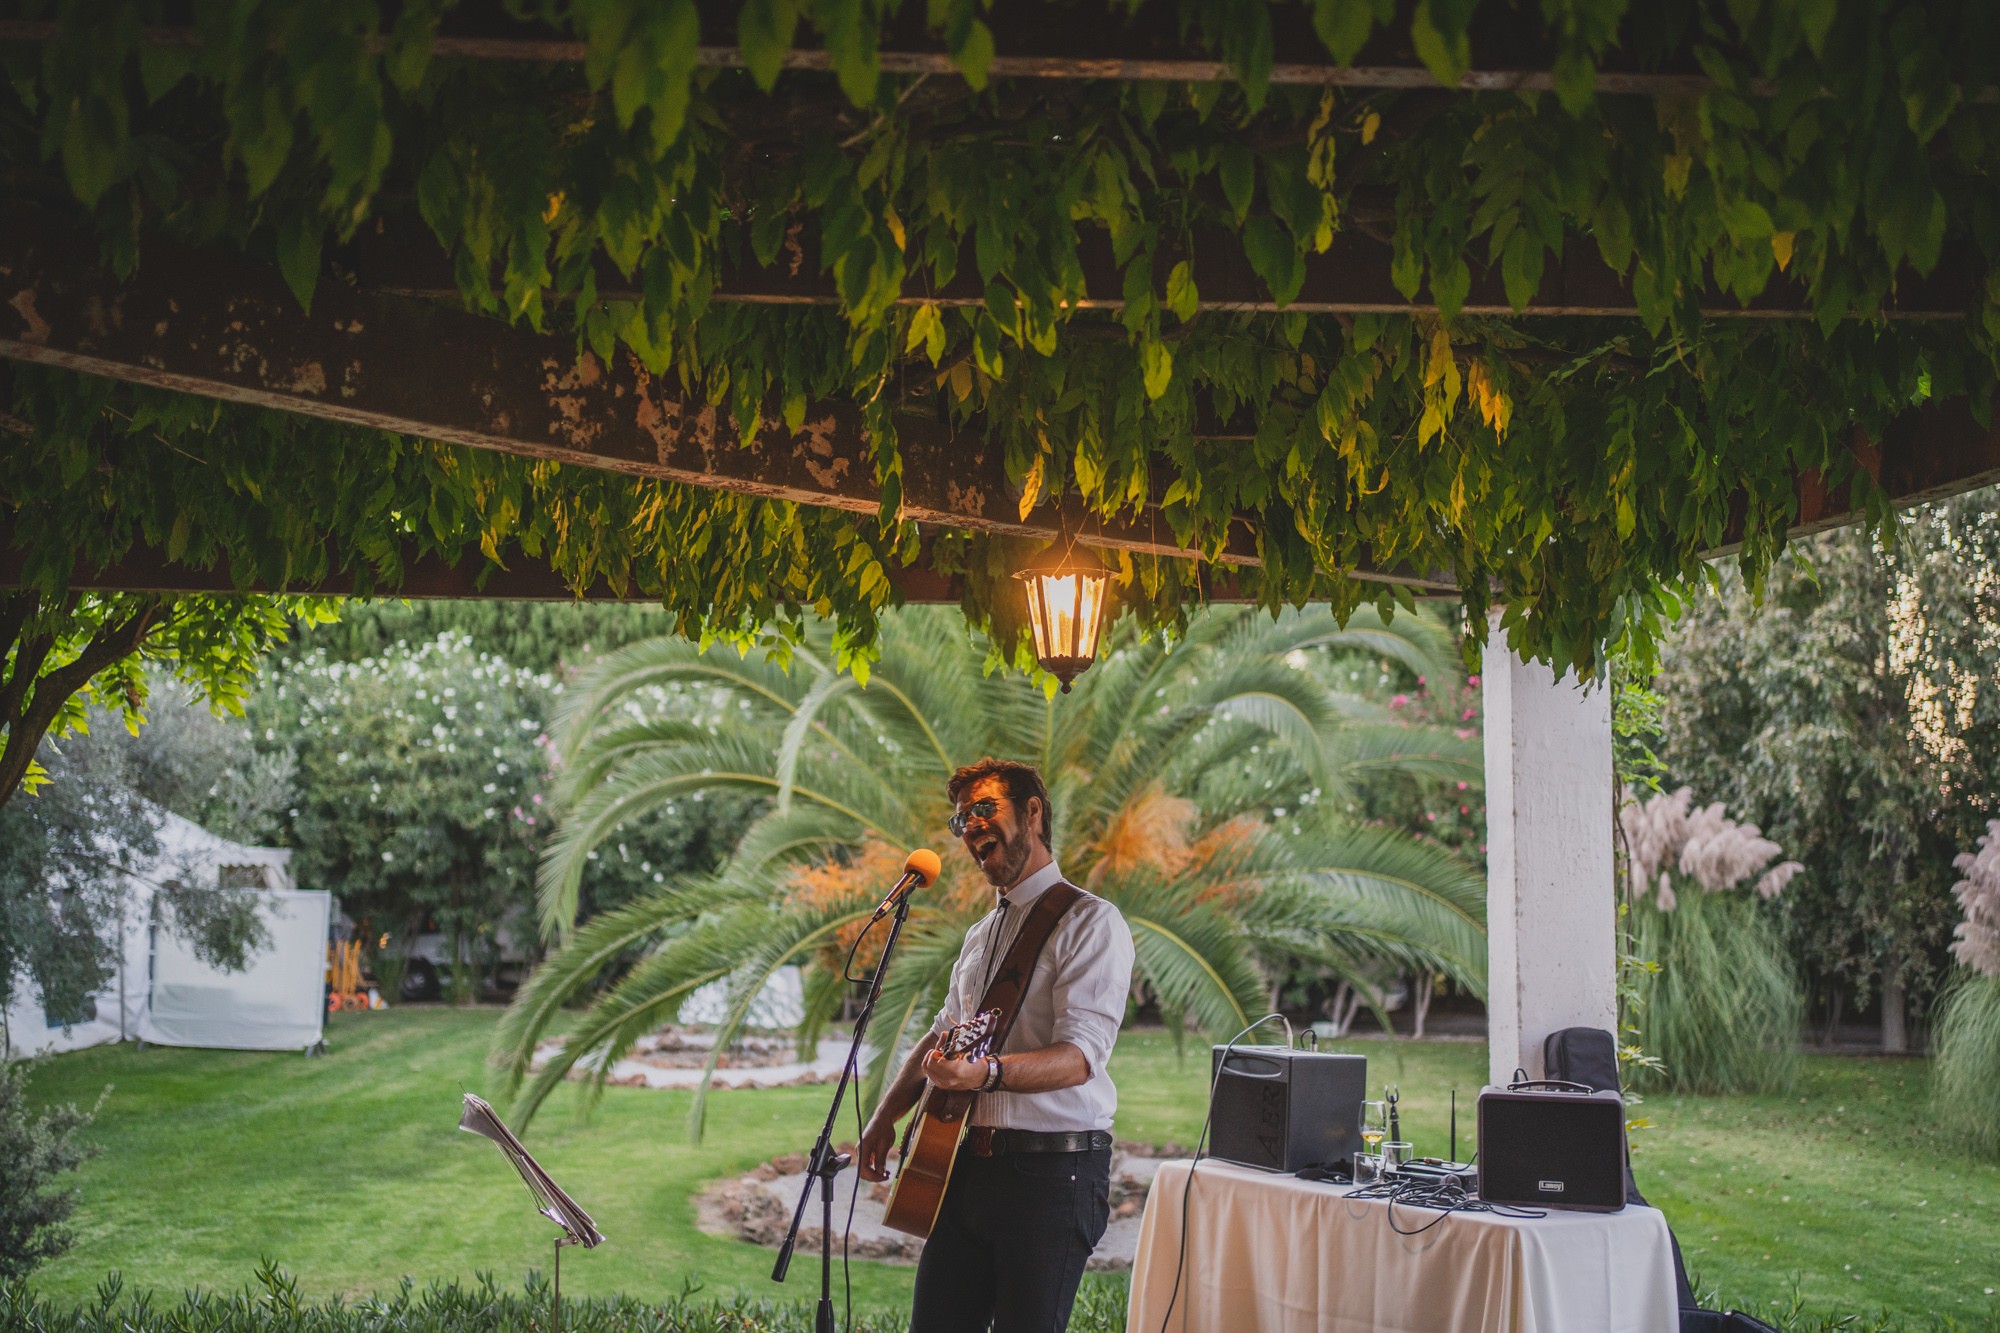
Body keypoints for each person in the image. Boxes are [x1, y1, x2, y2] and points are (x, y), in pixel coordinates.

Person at [858, 758, 1136, 1333]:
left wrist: (982, 1075)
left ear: (1032, 812)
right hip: (962, 1168)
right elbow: (944, 1030)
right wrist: (885, 1117)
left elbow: (1080, 1056)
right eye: (962, 821)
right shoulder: (981, 934)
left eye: (985, 809)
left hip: (1052, 1178)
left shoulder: (1089, 922)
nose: (971, 828)